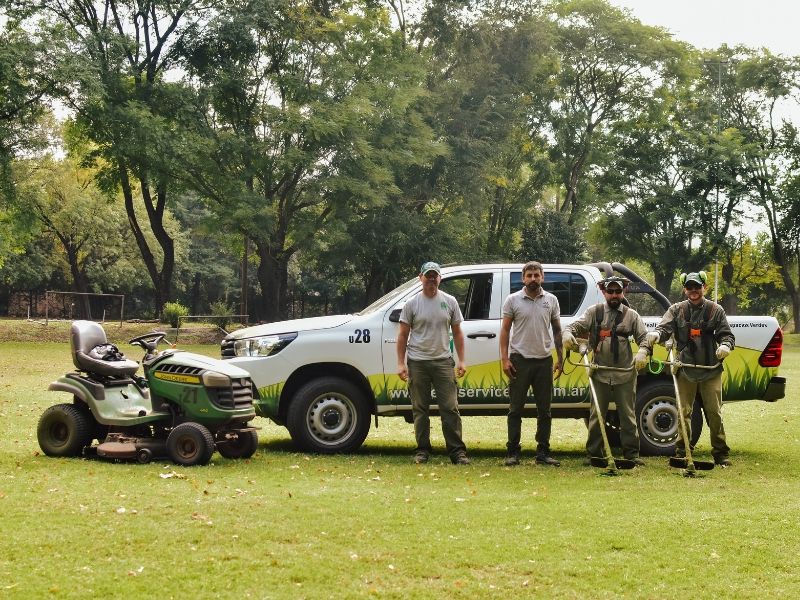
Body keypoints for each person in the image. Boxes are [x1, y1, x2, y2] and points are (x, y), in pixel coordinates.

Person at [647, 271, 735, 467]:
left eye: (697, 286)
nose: (693, 290)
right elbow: (664, 329)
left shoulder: (715, 310)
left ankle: (720, 453)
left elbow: (727, 335)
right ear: (685, 289)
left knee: (714, 413)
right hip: (685, 369)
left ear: (704, 287)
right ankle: (682, 450)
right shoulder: (676, 310)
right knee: (683, 412)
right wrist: (655, 335)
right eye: (690, 287)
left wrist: (725, 346)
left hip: (711, 369)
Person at [563, 276, 650, 467]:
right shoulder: (594, 313)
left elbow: (644, 337)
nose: (614, 295)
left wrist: (643, 351)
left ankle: (632, 455)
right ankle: (594, 454)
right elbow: (575, 326)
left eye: (617, 291)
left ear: (623, 292)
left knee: (627, 415)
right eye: (610, 291)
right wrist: (567, 333)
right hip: (599, 372)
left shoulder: (631, 315)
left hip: (625, 373)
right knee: (597, 415)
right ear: (604, 292)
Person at [397, 262, 470, 465]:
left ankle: (457, 452)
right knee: (420, 409)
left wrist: (462, 360)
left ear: (440, 278)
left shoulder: (449, 301)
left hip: (443, 362)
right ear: (420, 277)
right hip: (417, 363)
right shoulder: (412, 304)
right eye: (428, 275)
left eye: (435, 275)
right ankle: (422, 450)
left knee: (450, 408)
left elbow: (457, 333)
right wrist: (401, 364)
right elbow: (403, 335)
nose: (431, 279)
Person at [499, 261, 564, 467]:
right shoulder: (513, 300)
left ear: (542, 277)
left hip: (544, 360)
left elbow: (557, 331)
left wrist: (560, 358)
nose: (533, 279)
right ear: (523, 278)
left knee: (544, 410)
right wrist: (504, 358)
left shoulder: (551, 300)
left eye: (537, 275)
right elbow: (505, 331)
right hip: (519, 360)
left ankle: (543, 453)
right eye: (529, 275)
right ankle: (513, 452)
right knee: (515, 409)